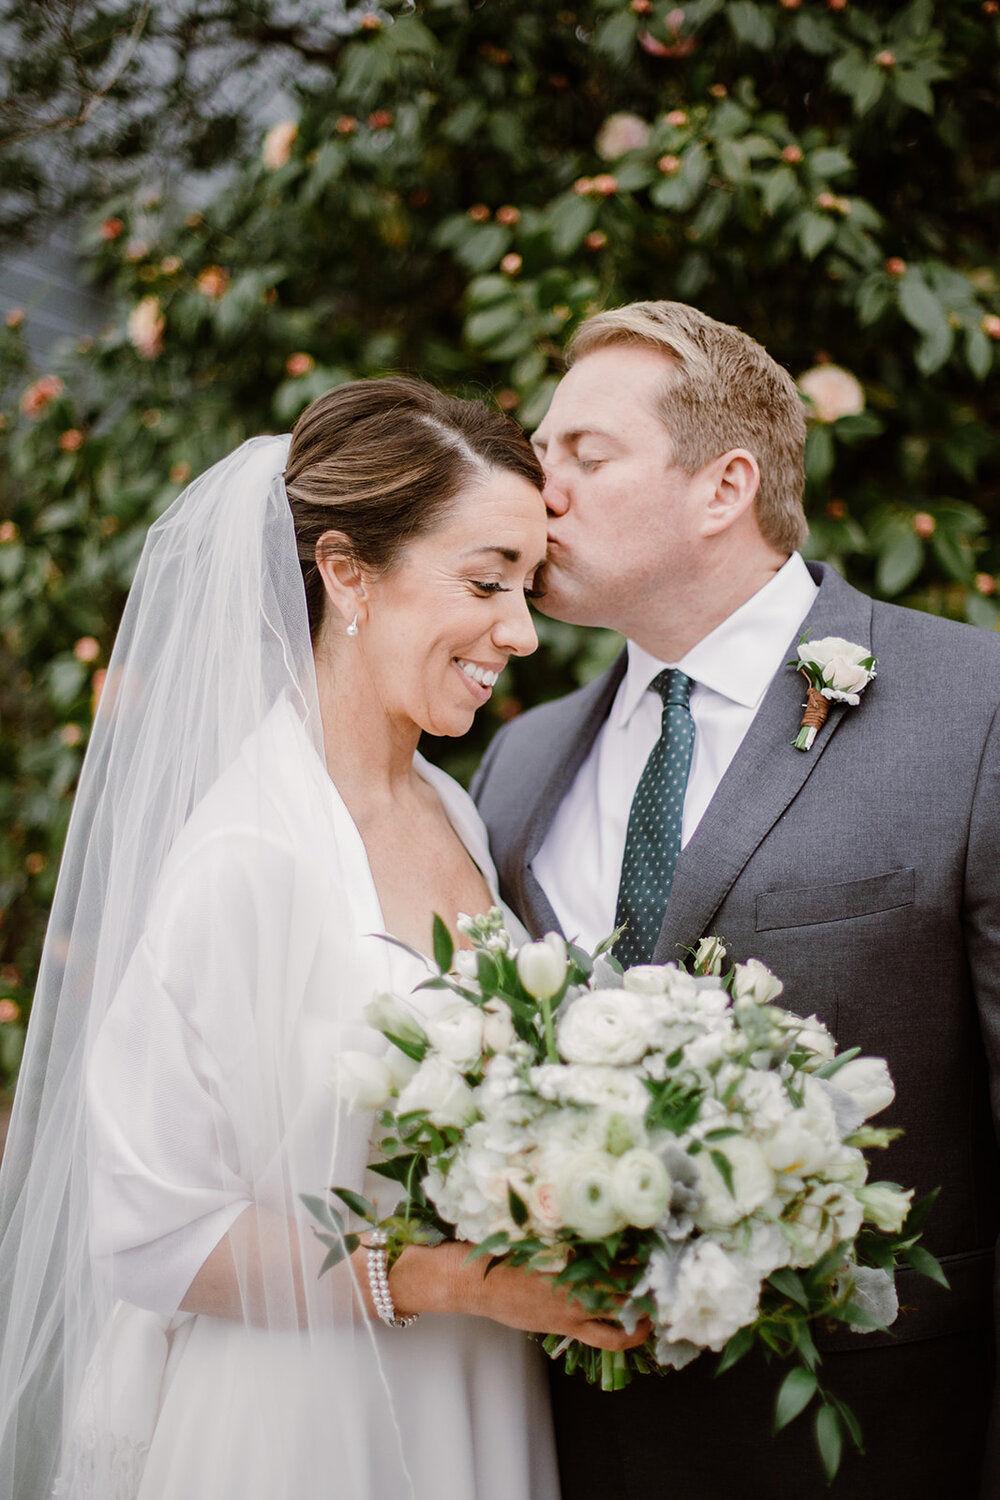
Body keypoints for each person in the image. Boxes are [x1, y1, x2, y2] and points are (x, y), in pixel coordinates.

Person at [0, 376, 644, 1500]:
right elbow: (150, 1235)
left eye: (529, 586)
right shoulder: (247, 851)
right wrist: (457, 1282)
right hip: (305, 1419)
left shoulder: (449, 804)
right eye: (487, 581)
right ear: (346, 572)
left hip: (478, 1394)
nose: (522, 631)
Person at [473, 302, 1000, 1499]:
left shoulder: (975, 712)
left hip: (869, 1441)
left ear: (724, 488)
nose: (530, 487)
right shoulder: (515, 761)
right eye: (536, 450)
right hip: (560, 1446)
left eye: (581, 455)